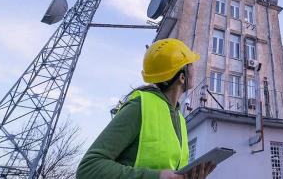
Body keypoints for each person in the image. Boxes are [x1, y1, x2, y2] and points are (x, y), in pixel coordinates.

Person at [77, 38, 215, 179]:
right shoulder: (139, 106)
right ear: (182, 77)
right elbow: (88, 168)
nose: (195, 68)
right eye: (191, 64)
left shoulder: (179, 118)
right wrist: (156, 176)